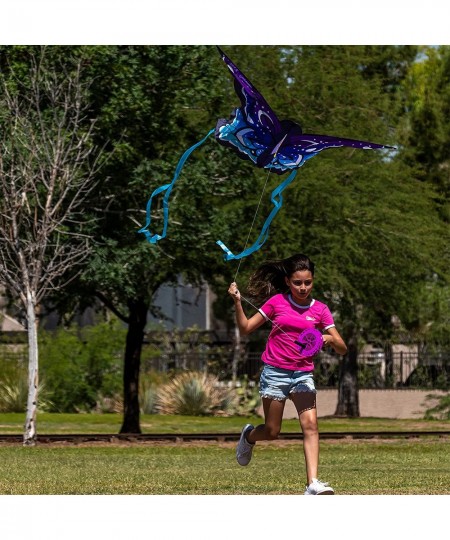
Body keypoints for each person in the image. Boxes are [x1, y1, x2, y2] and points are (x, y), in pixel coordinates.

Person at [228, 253, 347, 495]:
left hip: (303, 374)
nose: (303, 287)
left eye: (308, 282)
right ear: (287, 281)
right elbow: (246, 328)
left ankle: (312, 483)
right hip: (275, 372)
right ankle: (250, 436)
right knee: (272, 432)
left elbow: (343, 348)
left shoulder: (321, 310)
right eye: (297, 283)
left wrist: (329, 338)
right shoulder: (276, 303)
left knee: (311, 425)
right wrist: (238, 301)